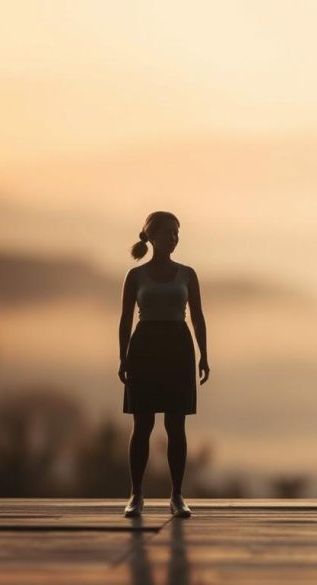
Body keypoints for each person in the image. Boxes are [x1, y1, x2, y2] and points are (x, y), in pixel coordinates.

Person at [118, 211, 209, 518]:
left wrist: (204, 354)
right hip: (144, 348)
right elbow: (125, 320)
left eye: (176, 233)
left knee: (176, 425)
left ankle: (177, 495)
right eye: (168, 232)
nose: (173, 238)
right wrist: (122, 357)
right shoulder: (135, 276)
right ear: (152, 236)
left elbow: (197, 317)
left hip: (178, 349)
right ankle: (136, 494)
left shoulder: (188, 274)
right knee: (142, 424)